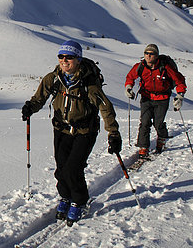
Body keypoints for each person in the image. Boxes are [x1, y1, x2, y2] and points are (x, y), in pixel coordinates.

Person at [21, 40, 121, 225]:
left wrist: (113, 133)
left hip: (85, 131)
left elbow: (105, 107)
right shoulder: (53, 79)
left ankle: (79, 201)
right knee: (61, 169)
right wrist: (30, 108)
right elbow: (39, 98)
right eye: (61, 56)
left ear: (78, 59)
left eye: (69, 57)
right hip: (61, 129)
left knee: (73, 169)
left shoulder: (89, 83)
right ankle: (65, 197)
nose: (64, 60)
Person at [125, 44, 187, 158]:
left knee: (158, 123)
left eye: (151, 54)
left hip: (162, 99)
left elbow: (180, 80)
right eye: (146, 53)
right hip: (146, 97)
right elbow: (130, 77)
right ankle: (143, 148)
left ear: (156, 55)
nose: (148, 56)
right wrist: (129, 87)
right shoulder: (140, 67)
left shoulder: (165, 67)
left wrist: (180, 95)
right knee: (145, 122)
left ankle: (162, 138)